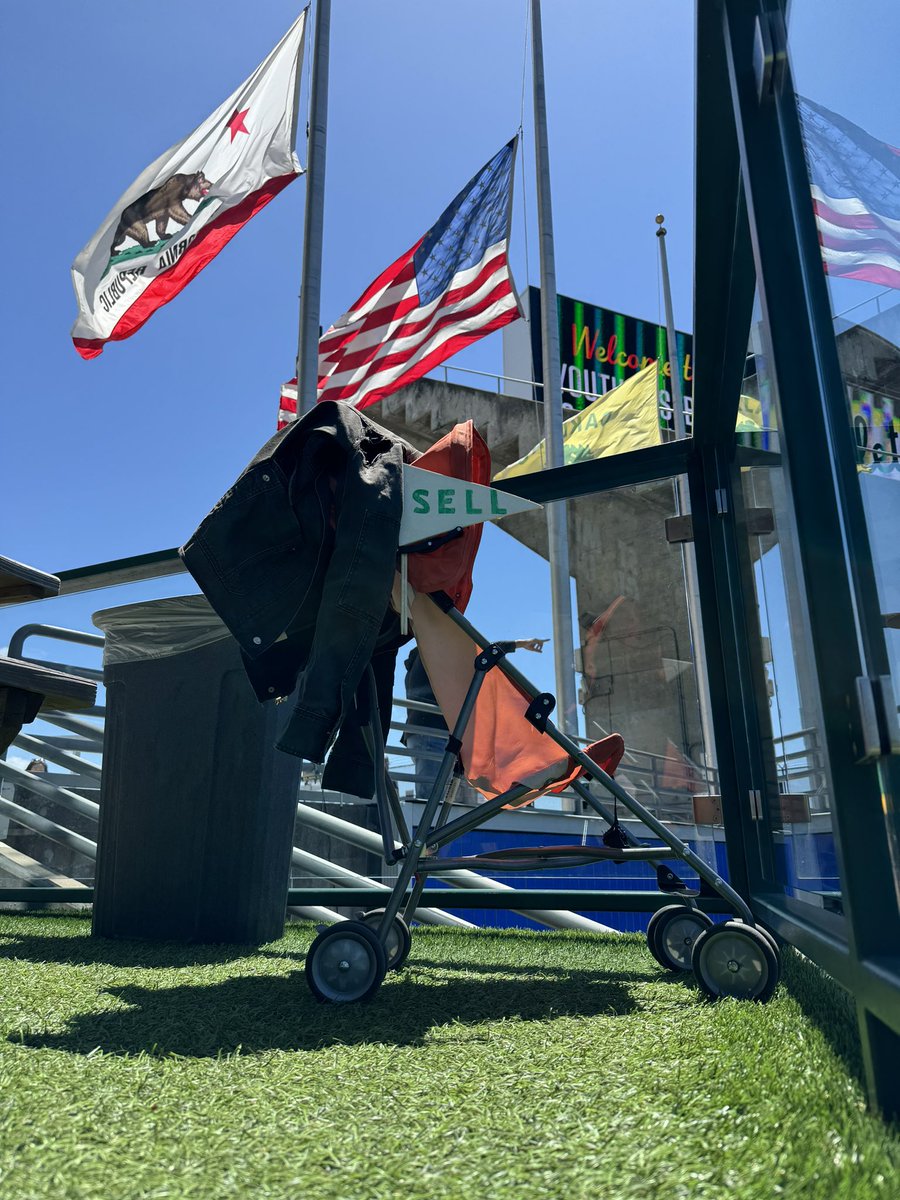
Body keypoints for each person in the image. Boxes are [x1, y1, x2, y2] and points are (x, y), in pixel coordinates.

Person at [401, 639, 549, 802]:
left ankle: (441, 822)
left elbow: (482, 652)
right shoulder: (434, 650)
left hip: (435, 732)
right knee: (434, 797)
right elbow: (483, 651)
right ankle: (436, 824)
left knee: (441, 796)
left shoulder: (425, 655)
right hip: (435, 731)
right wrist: (519, 644)